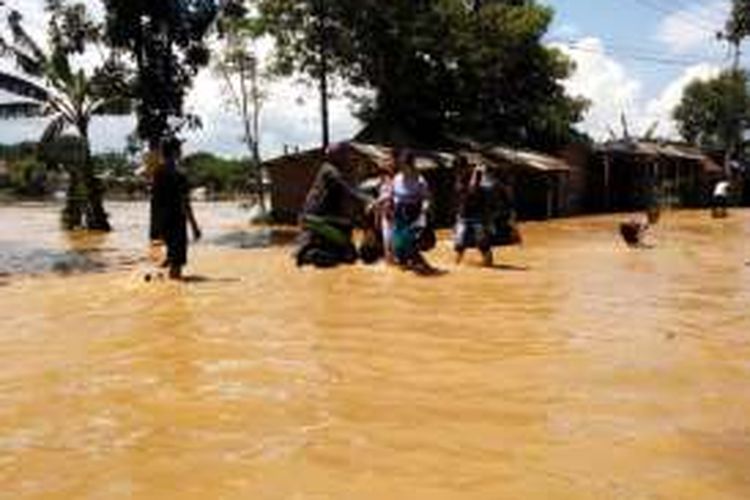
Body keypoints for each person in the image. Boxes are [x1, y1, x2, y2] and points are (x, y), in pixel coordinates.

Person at [295, 143, 372, 268]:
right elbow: (347, 189)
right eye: (345, 155)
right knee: (349, 254)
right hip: (319, 217)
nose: (348, 159)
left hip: (318, 217)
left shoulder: (332, 170)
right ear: (337, 156)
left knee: (348, 228)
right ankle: (319, 255)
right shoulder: (330, 170)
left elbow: (349, 195)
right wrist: (368, 200)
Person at [150, 138, 201, 280]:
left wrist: (155, 229)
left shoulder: (157, 173)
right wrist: (194, 226)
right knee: (176, 266)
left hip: (163, 222)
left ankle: (165, 281)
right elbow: (185, 203)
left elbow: (154, 202)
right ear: (174, 152)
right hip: (177, 222)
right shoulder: (179, 175)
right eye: (179, 149)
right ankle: (173, 293)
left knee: (171, 257)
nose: (181, 151)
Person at [391, 150, 435, 273]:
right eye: (402, 165)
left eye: (405, 165)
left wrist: (425, 209)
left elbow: (427, 198)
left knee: (408, 241)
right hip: (399, 213)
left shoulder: (420, 180)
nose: (403, 167)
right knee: (397, 244)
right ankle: (407, 267)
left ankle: (422, 266)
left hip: (414, 213)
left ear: (411, 165)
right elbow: (392, 195)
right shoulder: (397, 178)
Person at [454, 157, 494, 266]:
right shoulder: (460, 179)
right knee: (460, 239)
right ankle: (457, 262)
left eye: (461, 168)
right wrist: (476, 173)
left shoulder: (479, 176)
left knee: (481, 239)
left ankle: (488, 259)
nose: (459, 171)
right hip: (464, 213)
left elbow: (486, 187)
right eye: (458, 169)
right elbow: (470, 190)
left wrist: (477, 173)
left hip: (478, 213)